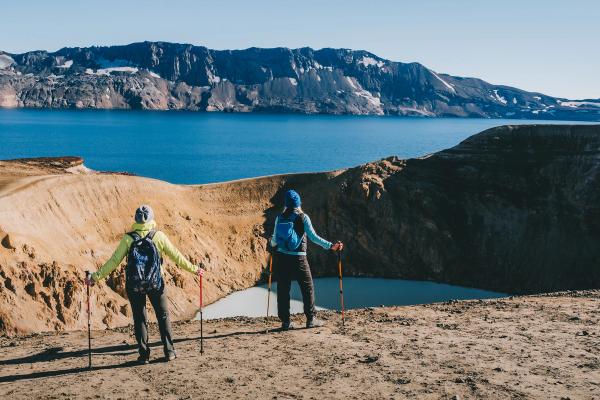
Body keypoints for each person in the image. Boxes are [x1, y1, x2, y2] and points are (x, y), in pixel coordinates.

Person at [85, 205, 204, 364]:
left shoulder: (128, 238)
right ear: (151, 218)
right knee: (163, 316)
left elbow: (113, 261)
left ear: (136, 219)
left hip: (134, 285)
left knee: (140, 318)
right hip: (156, 283)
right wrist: (195, 269)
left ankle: (144, 355)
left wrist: (95, 277)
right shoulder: (158, 236)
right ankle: (169, 351)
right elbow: (177, 256)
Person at [269, 190, 343, 330]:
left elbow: (274, 240)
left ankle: (285, 322)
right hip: (299, 259)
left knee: (283, 289)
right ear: (298, 203)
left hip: (282, 257)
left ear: (286, 203)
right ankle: (310, 320)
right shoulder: (303, 217)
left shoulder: (280, 217)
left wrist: (271, 245)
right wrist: (331, 246)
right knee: (307, 288)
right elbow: (314, 237)